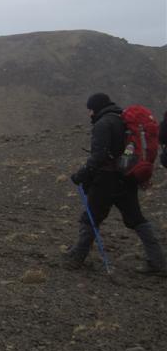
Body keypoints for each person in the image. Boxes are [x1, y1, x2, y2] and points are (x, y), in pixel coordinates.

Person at [64, 93, 166, 276]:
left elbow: (99, 156)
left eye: (90, 109)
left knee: (90, 217)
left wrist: (80, 175)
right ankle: (158, 261)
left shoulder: (103, 124)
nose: (89, 114)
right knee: (137, 219)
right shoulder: (123, 121)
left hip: (106, 180)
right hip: (127, 177)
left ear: (96, 108)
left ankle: (77, 257)